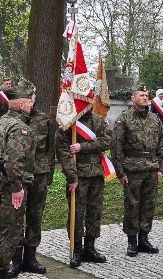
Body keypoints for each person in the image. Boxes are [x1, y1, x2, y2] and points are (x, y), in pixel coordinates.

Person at [0, 80, 36, 279]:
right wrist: (17, 187)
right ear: (22, 104)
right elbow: (13, 161)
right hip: (11, 186)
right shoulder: (18, 127)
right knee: (10, 231)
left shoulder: (1, 122)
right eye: (30, 102)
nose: (33, 104)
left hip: (0, 182)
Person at [111, 85, 163, 256]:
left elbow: (161, 145)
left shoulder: (154, 119)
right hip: (132, 169)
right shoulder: (124, 119)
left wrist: (160, 167)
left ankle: (144, 238)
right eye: (141, 95)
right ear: (133, 98)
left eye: (147, 95)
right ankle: (132, 241)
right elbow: (116, 147)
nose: (145, 97)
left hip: (151, 168)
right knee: (132, 205)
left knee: (148, 205)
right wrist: (120, 172)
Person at [57, 108, 112, 267]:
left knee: (95, 211)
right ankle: (77, 249)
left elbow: (107, 140)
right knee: (77, 213)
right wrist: (71, 176)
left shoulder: (98, 120)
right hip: (78, 175)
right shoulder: (68, 123)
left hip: (96, 173)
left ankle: (90, 247)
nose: (86, 104)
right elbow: (62, 152)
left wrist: (83, 147)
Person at [6, 99, 55, 278]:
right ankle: (16, 260)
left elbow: (51, 148)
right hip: (20, 174)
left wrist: (49, 171)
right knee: (17, 215)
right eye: (29, 95)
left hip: (39, 174)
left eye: (34, 95)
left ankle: (31, 258)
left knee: (36, 215)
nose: (32, 99)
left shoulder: (44, 119)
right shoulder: (12, 120)